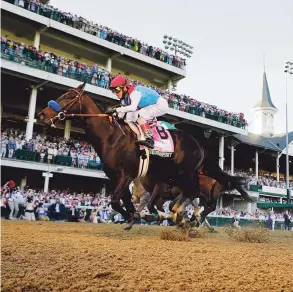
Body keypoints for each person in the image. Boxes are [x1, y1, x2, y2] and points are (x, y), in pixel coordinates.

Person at [107, 75, 169, 149]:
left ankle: (150, 140)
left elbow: (132, 108)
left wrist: (116, 109)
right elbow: (121, 115)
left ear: (124, 87)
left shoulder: (134, 92)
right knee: (129, 119)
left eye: (117, 89)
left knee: (140, 115)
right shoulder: (125, 98)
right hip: (149, 105)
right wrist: (113, 114)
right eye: (113, 91)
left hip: (160, 104)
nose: (115, 93)